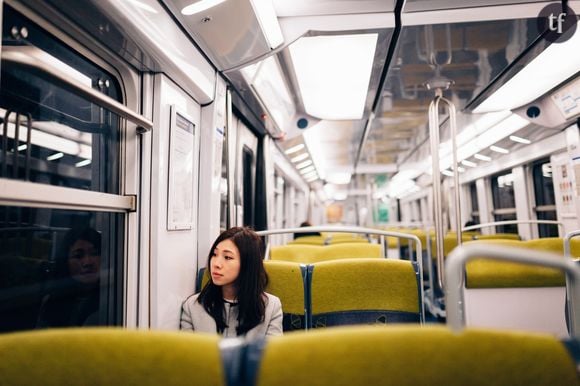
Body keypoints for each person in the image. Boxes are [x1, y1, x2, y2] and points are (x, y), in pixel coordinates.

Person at [180, 227, 283, 338]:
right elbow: (188, 354)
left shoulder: (271, 307)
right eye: (214, 254)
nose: (216, 264)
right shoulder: (192, 306)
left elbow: (272, 354)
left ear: (247, 264)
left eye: (227, 257)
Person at [37, 227, 101, 327]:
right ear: (65, 262)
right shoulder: (53, 301)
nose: (87, 262)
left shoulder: (115, 299)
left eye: (94, 254)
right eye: (78, 256)